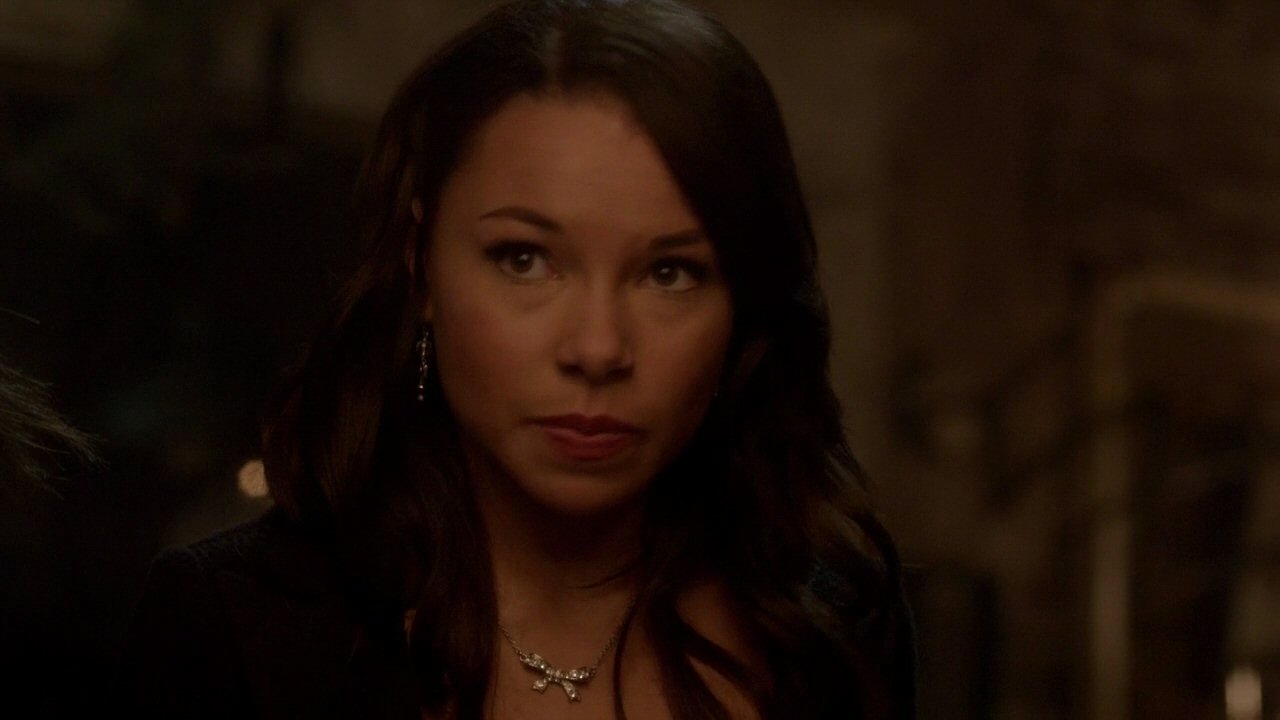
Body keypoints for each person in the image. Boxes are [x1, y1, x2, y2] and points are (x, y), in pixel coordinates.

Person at [123, 1, 915, 717]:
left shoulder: (826, 623)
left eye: (670, 273)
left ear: (742, 303)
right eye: (525, 259)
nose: (598, 348)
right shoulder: (240, 627)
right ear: (421, 265)